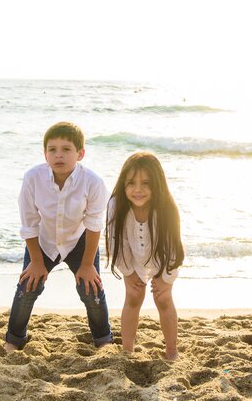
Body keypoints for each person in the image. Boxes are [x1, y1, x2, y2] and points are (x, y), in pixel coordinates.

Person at [4, 122, 113, 351]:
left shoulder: (93, 182)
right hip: (43, 240)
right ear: (45, 154)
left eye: (66, 149)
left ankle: (103, 340)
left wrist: (86, 265)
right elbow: (29, 223)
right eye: (52, 149)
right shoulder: (33, 178)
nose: (58, 155)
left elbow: (94, 224)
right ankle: (14, 340)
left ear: (80, 154)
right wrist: (35, 261)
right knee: (28, 288)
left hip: (79, 240)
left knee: (90, 289)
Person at [106, 152, 184, 361]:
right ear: (123, 184)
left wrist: (165, 279)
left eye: (146, 183)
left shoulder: (166, 208)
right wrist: (129, 273)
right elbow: (116, 242)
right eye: (131, 183)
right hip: (130, 256)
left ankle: (171, 351)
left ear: (157, 184)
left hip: (162, 258)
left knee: (164, 299)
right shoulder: (116, 205)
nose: (137, 190)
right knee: (133, 297)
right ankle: (127, 350)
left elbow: (174, 248)